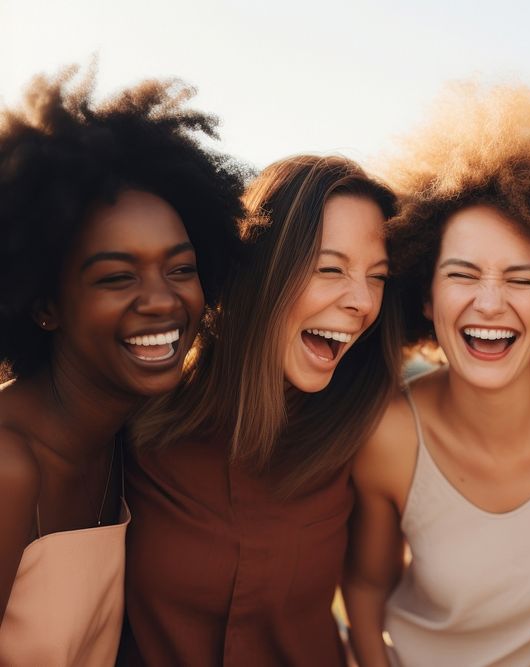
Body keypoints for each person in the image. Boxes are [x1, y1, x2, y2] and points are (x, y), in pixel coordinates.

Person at [343, 82, 530, 667]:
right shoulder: (390, 435)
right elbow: (364, 588)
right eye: (461, 275)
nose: (488, 303)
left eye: (520, 279)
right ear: (425, 298)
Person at [0, 67, 244, 665]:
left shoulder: (124, 441)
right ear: (44, 305)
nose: (162, 300)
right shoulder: (7, 465)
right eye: (117, 277)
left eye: (181, 269)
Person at [119, 155, 403, 666]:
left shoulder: (364, 433)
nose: (362, 301)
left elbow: (372, 594)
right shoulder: (134, 425)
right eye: (330, 268)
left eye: (377, 277)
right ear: (261, 269)